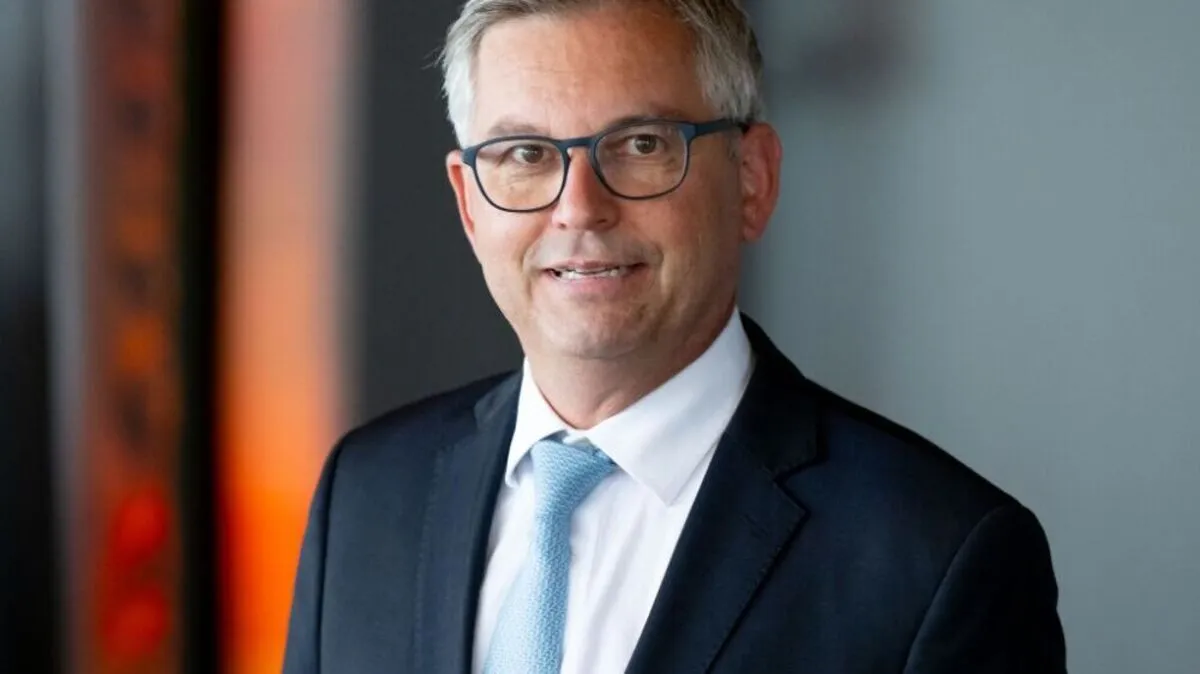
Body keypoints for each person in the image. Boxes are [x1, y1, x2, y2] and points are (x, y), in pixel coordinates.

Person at [283, 0, 1067, 672]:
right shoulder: (369, 493)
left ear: (753, 180)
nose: (579, 208)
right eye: (524, 154)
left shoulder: (939, 556)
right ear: (469, 203)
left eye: (642, 145)